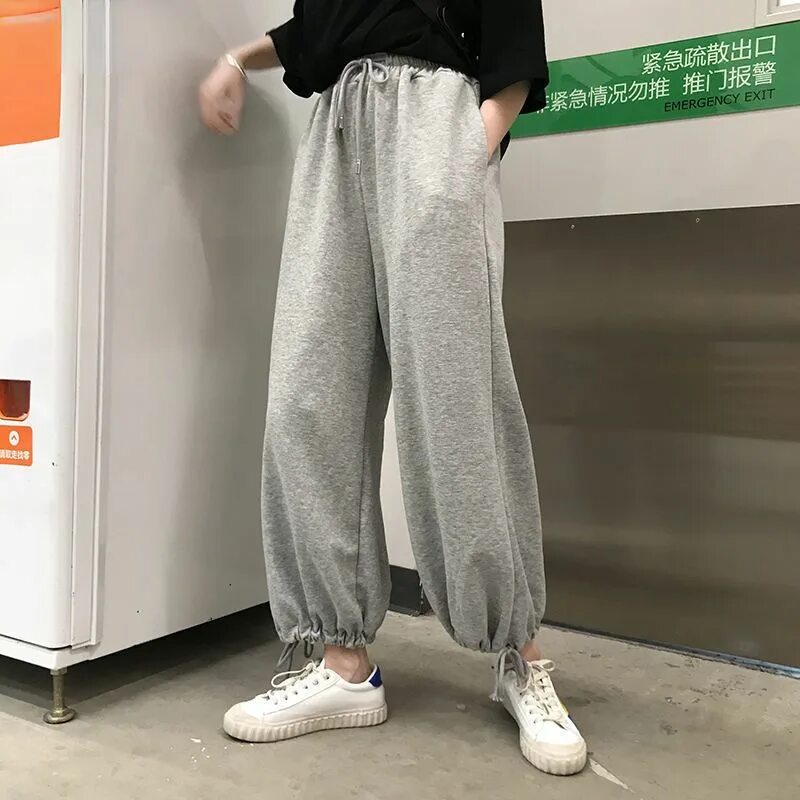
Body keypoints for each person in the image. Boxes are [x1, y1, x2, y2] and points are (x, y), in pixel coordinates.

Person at [198, 0, 587, 776]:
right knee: (308, 396)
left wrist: (464, 157)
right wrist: (236, 59)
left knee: (456, 396)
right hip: (337, 134)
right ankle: (343, 660)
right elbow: (323, 30)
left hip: (433, 126)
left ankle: (518, 649)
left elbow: (513, 43)